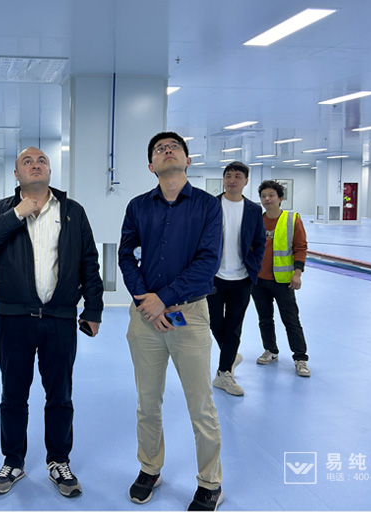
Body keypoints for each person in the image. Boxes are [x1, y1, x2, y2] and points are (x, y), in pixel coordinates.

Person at [0, 146, 103, 499]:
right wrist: (17, 213)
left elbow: (89, 262)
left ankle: (59, 460)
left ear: (50, 171)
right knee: (13, 393)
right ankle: (13, 461)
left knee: (60, 395)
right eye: (26, 162)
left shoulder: (73, 211)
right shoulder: (1, 209)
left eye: (41, 160)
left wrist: (93, 309)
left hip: (59, 319)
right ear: (16, 174)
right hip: (14, 319)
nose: (35, 165)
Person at [118, 132, 224, 511]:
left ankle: (210, 482)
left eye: (174, 147)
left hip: (188, 316)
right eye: (159, 149)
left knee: (200, 405)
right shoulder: (137, 207)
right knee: (148, 403)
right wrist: (146, 301)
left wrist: (163, 299)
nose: (167, 151)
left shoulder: (208, 207)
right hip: (144, 316)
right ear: (151, 166)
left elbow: (208, 262)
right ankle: (150, 468)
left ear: (188, 160)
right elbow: (126, 256)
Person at [206, 161, 266, 396]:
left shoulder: (253, 210)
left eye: (237, 176)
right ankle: (230, 355)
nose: (232, 180)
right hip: (214, 277)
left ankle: (224, 373)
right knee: (214, 322)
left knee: (234, 326)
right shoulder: (211, 205)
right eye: (228, 175)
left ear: (245, 181)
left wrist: (253, 268)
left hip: (242, 278)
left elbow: (259, 242)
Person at [251, 180, 310, 377]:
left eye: (271, 195)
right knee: (264, 318)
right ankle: (270, 350)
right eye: (263, 196)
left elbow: (300, 247)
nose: (267, 199)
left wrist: (297, 273)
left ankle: (300, 358)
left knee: (291, 319)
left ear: (280, 198)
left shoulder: (292, 220)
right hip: (259, 280)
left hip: (283, 281)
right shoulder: (256, 221)